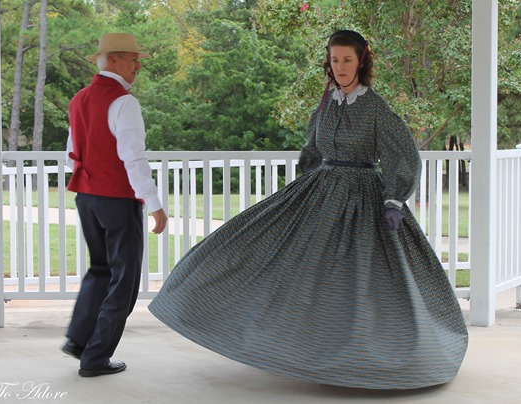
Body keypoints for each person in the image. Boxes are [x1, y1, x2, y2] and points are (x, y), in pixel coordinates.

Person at [148, 29, 467, 389]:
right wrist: (309, 175)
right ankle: (290, 346)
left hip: (362, 198)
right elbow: (313, 149)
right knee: (272, 257)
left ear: (362, 60)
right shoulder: (327, 102)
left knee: (359, 281)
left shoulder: (376, 108)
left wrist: (394, 198)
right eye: (335, 59)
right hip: (319, 191)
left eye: (347, 59)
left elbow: (402, 155)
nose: (341, 66)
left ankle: (361, 358)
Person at [61, 32, 167, 377]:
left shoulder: (79, 99)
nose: (138, 65)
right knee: (123, 281)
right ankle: (95, 359)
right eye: (133, 59)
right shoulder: (123, 102)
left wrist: (89, 181)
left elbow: (70, 153)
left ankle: (79, 341)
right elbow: (133, 158)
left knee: (100, 270)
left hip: (86, 197)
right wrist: (153, 203)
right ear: (114, 60)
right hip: (116, 200)